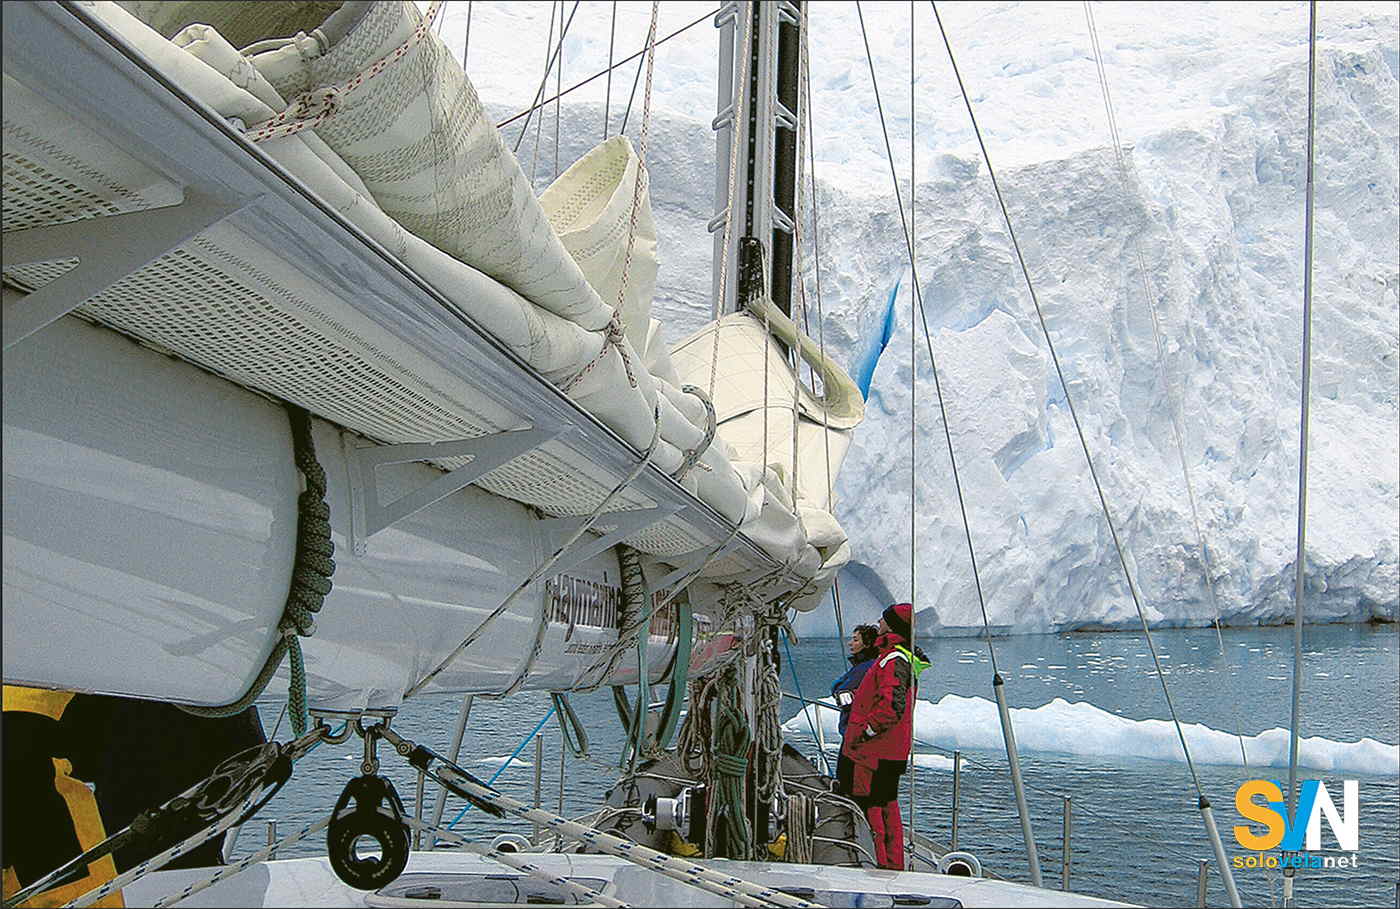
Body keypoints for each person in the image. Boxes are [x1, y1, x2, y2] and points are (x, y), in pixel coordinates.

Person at [837, 602, 929, 870]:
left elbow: (891, 706)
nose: (878, 622)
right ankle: (891, 863)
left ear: (892, 626)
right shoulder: (896, 657)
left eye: (883, 620)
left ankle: (881, 862)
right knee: (886, 804)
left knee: (874, 805)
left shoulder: (893, 659)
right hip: (886, 750)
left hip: (874, 751)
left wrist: (864, 731)